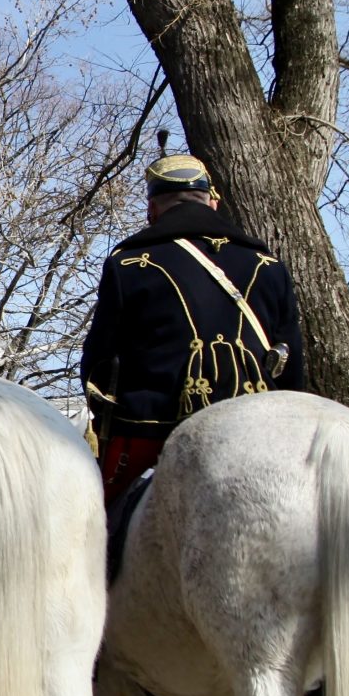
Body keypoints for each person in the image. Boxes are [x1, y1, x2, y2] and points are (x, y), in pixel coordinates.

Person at [82, 138, 305, 508]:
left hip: (154, 432)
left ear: (152, 209)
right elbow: (292, 368)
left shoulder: (127, 264)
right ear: (212, 201)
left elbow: (99, 366)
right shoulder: (268, 265)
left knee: (106, 533)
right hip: (261, 428)